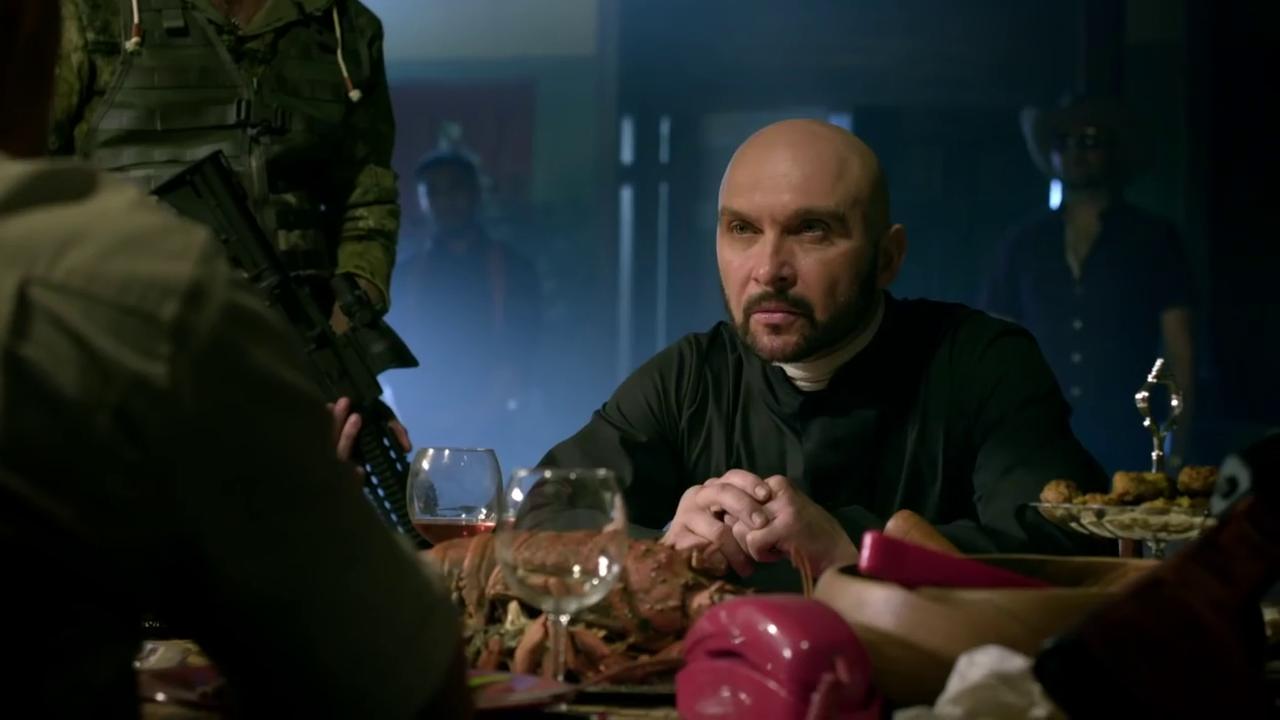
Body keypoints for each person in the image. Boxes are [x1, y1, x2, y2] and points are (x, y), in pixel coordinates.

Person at [0, 2, 467, 716]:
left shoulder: (341, 30)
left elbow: (367, 188)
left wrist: (340, 336)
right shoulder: (99, 19)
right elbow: (406, 681)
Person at [541, 119, 1107, 586]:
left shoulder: (982, 363)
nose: (768, 270)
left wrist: (853, 548)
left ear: (887, 258)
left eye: (811, 230)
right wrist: (661, 547)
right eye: (742, 228)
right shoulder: (690, 378)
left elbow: (1067, 546)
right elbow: (538, 514)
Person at [50, 0, 401, 328]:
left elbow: (368, 197)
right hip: (114, 325)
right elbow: (27, 176)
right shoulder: (89, 14)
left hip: (286, 337)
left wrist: (349, 317)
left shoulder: (345, 29)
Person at [980, 94, 1196, 476]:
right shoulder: (1023, 243)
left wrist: (1177, 453)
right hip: (1037, 441)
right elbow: (995, 345)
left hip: (1127, 440)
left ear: (1114, 149)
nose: (1076, 152)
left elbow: (1180, 351)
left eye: (1090, 140)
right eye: (1063, 141)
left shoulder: (1153, 238)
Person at [387, 151, 542, 466]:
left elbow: (520, 353)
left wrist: (475, 421)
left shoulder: (514, 270)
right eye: (434, 192)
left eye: (454, 189)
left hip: (497, 431)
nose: (446, 201)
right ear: (422, 200)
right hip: (422, 429)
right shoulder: (405, 276)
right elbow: (395, 360)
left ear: (474, 193)